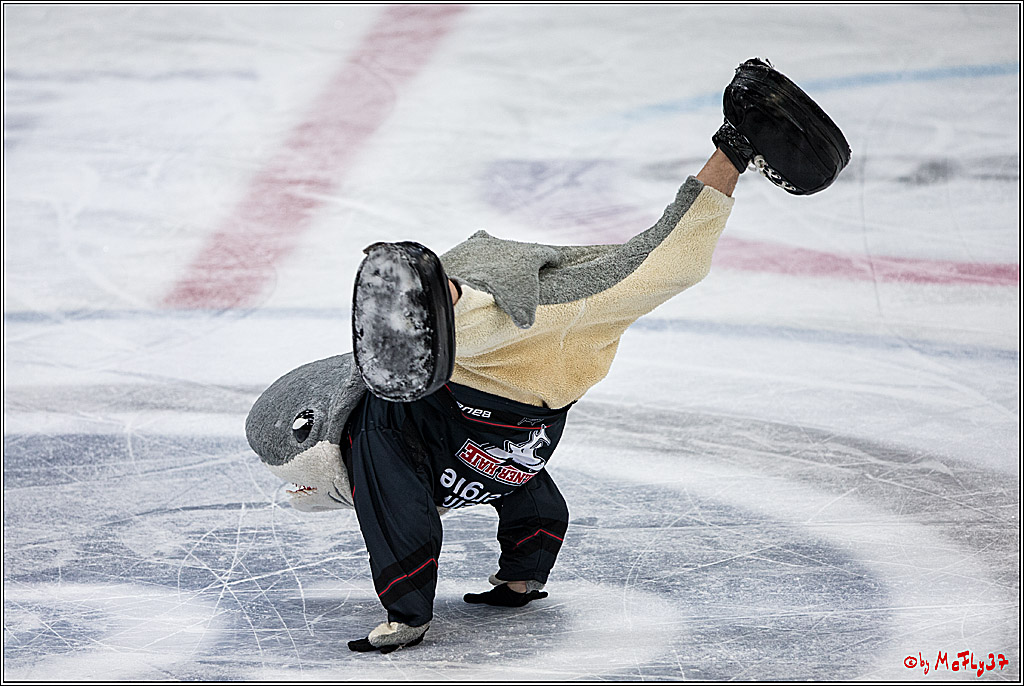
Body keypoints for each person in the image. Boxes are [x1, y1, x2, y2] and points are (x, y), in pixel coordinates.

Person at [244, 58, 850, 654]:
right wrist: (524, 573)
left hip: (482, 372)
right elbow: (528, 486)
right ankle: (737, 143)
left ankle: (444, 296)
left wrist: (406, 612)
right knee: (650, 268)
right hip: (537, 399)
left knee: (603, 283)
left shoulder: (372, 445)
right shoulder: (464, 459)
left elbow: (398, 518)